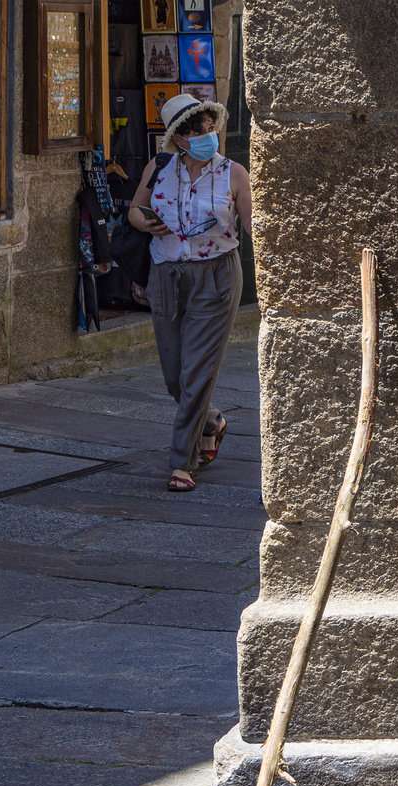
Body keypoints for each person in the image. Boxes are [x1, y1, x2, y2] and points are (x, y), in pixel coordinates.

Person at [129, 93, 254, 491]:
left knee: (197, 368)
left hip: (216, 275)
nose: (205, 132)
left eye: (207, 124)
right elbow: (135, 209)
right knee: (173, 374)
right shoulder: (159, 166)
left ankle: (182, 462)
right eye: (194, 128)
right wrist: (144, 223)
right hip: (166, 273)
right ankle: (212, 420)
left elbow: (253, 226)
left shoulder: (234, 173)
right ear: (179, 138)